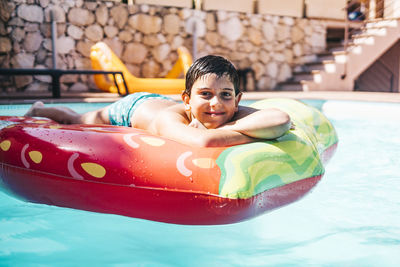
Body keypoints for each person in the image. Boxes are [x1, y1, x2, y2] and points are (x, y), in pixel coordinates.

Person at [25, 55, 291, 147]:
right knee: (76, 120)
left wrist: (227, 130)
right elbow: (205, 141)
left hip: (160, 101)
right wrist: (256, 135)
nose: (216, 104)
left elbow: (281, 119)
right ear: (187, 99)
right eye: (205, 94)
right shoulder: (169, 120)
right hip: (134, 107)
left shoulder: (226, 110)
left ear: (237, 99)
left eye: (226, 95)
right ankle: (42, 108)